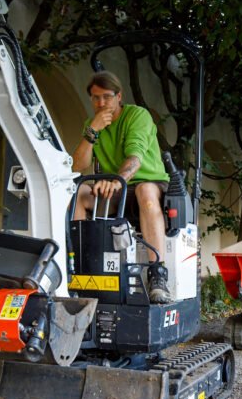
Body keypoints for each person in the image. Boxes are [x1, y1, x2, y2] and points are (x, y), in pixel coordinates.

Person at [71, 71, 172, 303]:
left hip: (148, 182)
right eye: (95, 98)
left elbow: (134, 158)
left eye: (107, 97)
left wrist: (117, 180)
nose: (101, 103)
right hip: (117, 188)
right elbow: (78, 165)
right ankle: (82, 265)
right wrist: (92, 131)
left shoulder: (138, 116)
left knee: (143, 190)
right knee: (80, 193)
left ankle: (158, 274)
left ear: (119, 96)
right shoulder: (92, 124)